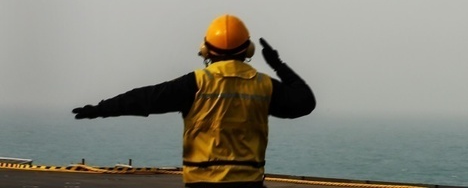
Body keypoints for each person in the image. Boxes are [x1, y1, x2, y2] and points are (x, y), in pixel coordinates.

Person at [72, 14, 316, 187]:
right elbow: (305, 101)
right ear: (248, 51)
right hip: (248, 183)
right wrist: (277, 63)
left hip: (202, 184)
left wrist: (99, 109)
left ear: (206, 50)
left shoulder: (195, 84)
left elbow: (144, 99)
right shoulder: (264, 86)